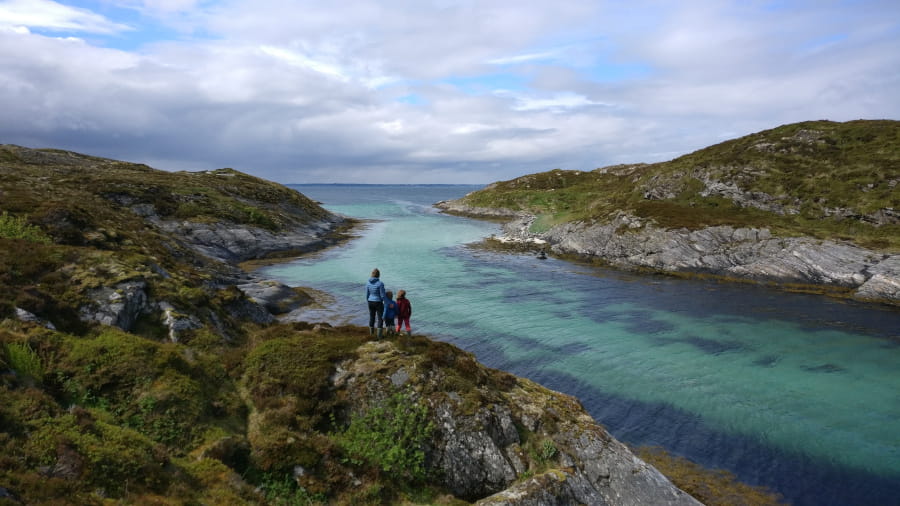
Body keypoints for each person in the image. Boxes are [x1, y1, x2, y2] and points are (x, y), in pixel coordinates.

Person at [366, 268, 386, 337]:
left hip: (370, 302)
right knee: (380, 318)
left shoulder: (368, 283)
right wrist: (386, 302)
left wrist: (368, 300)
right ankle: (379, 336)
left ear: (372, 274)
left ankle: (371, 334)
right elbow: (383, 295)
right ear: (379, 275)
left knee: (372, 317)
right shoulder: (380, 284)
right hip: (378, 302)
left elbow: (367, 294)